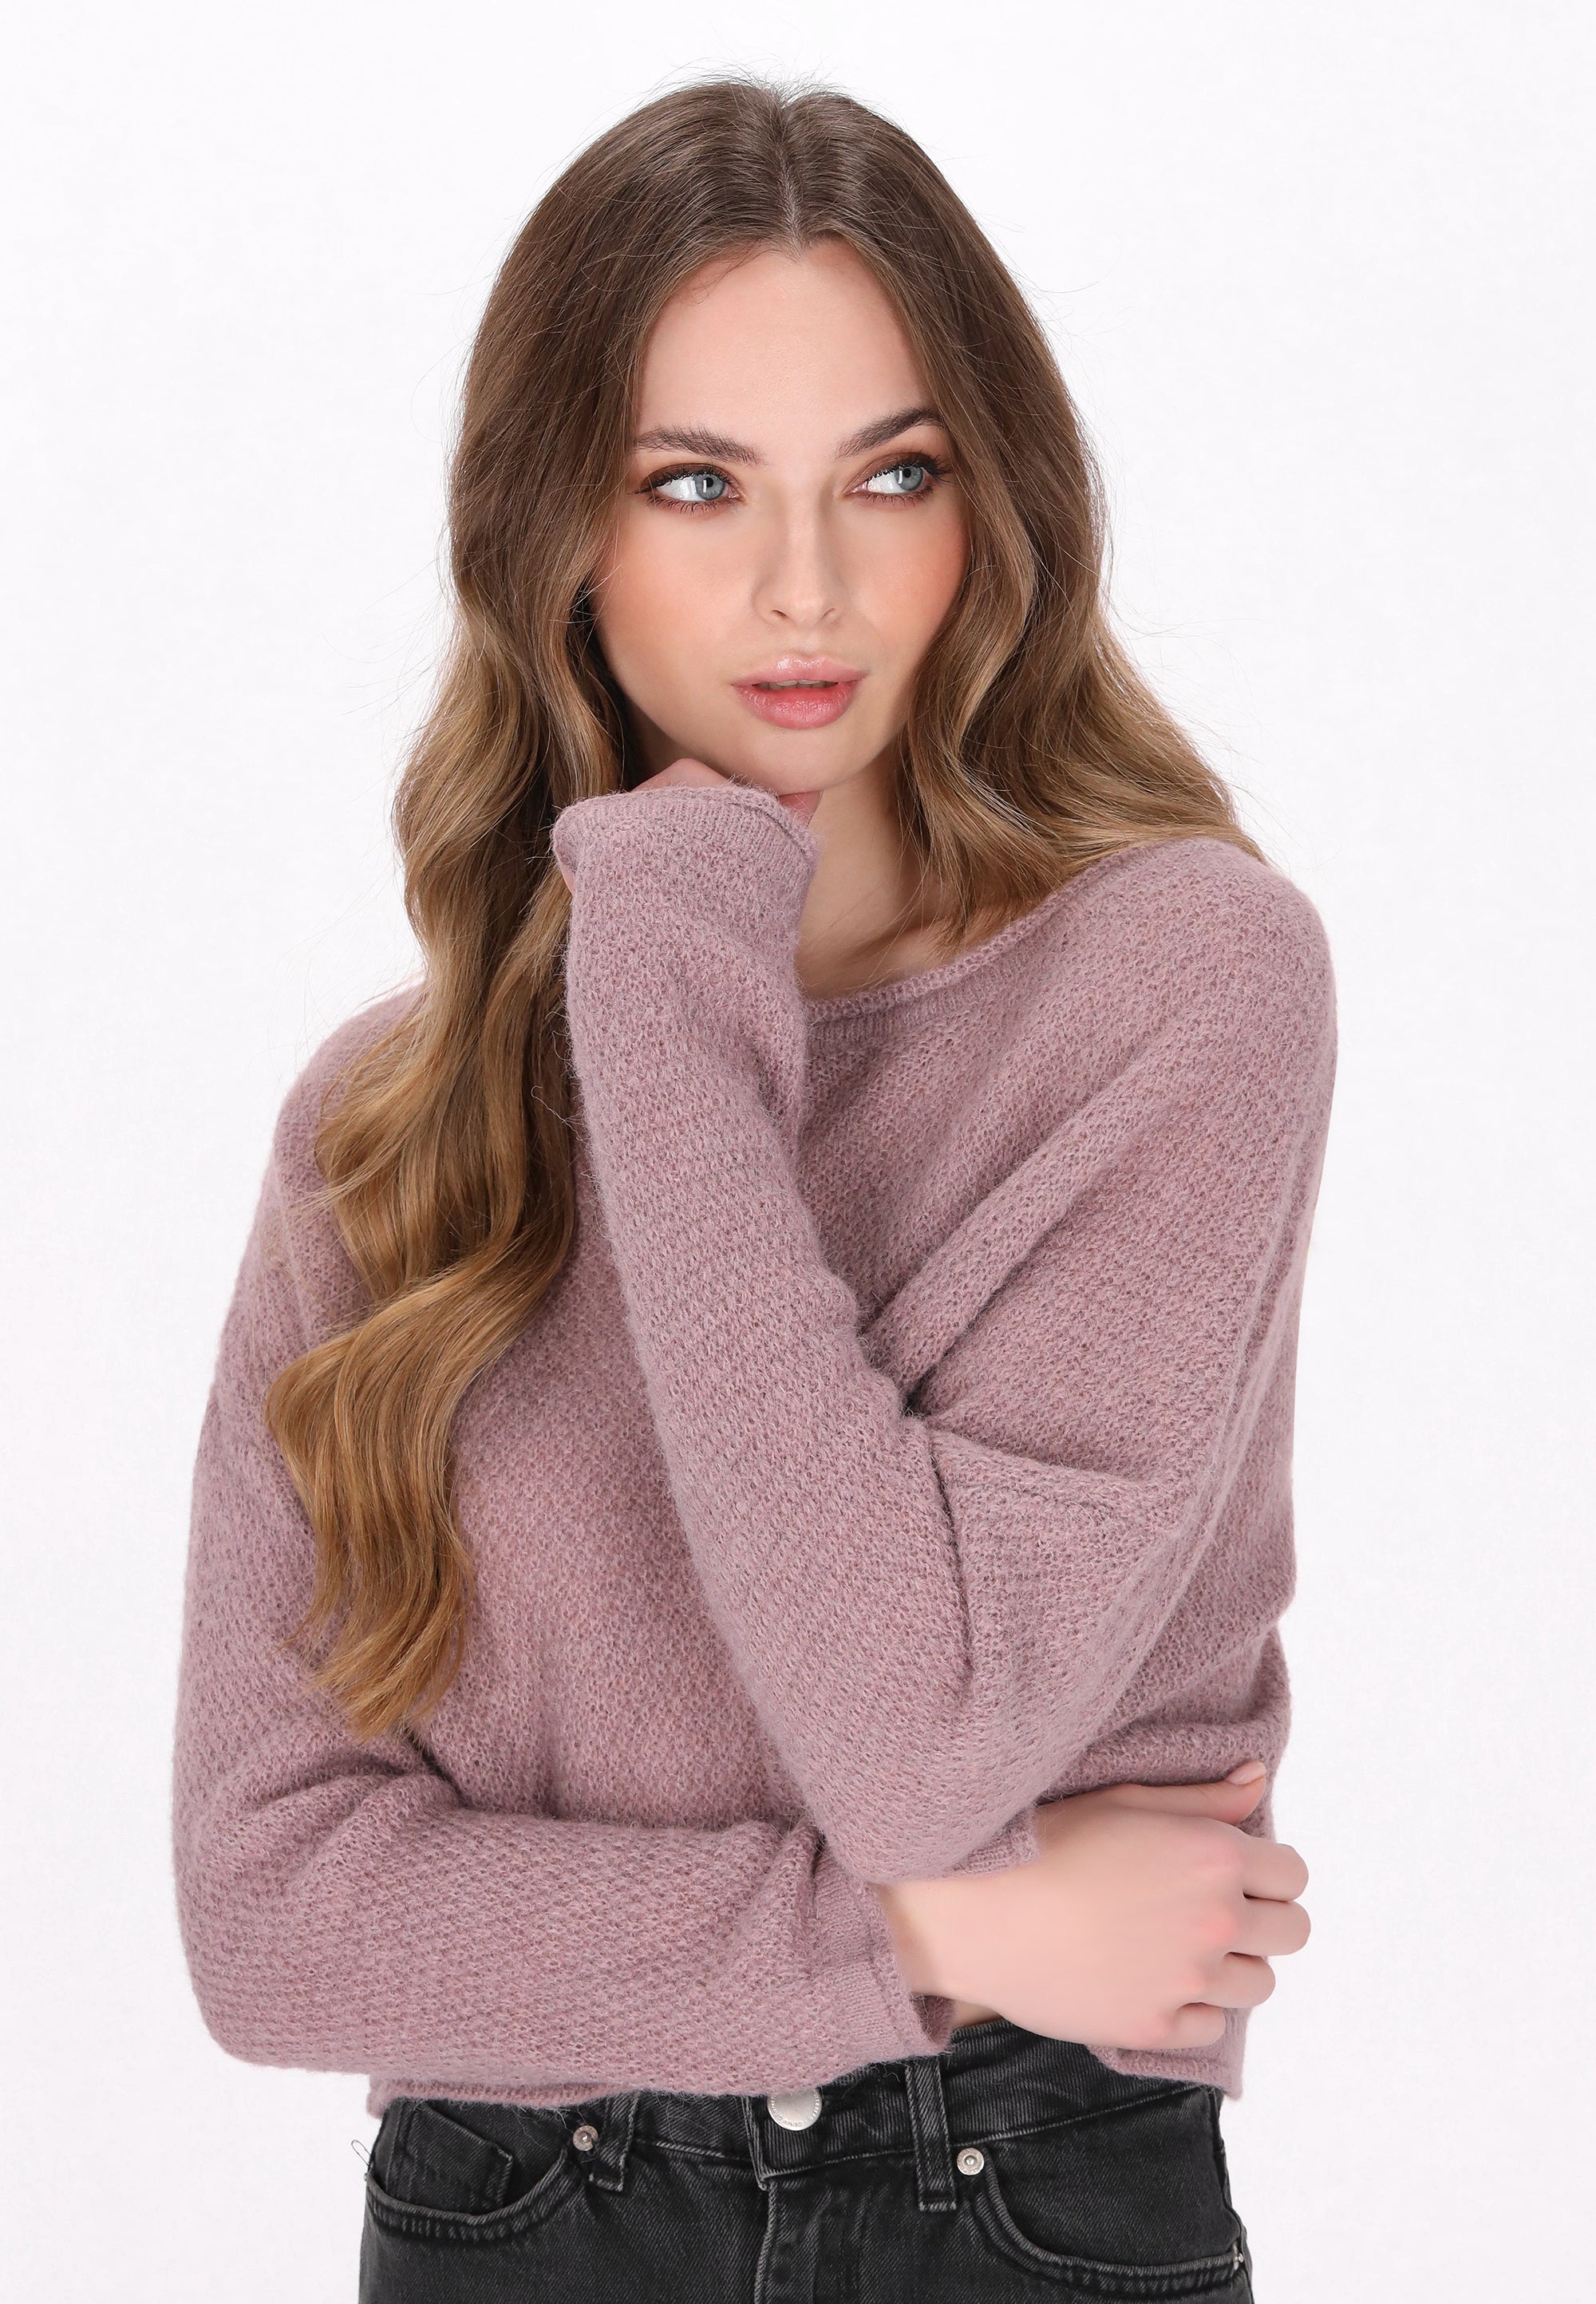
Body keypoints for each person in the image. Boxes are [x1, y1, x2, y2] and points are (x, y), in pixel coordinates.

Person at [172, 77, 1334, 2302]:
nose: (809, 587)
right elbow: (272, 1920)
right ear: (560, 538)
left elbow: (917, 1735)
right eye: (695, 484)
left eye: (892, 476)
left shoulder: (1185, 984)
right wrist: (929, 1937)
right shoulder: (385, 1131)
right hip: (520, 2216)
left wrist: (676, 980)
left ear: (991, 510)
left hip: (1011, 2199)